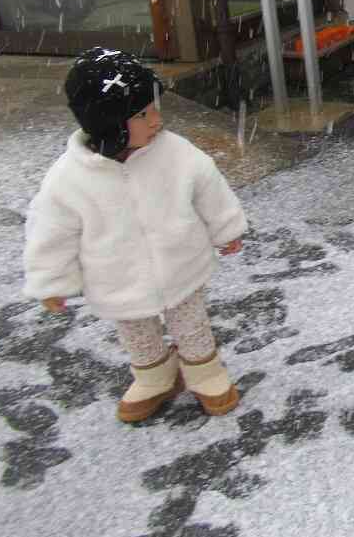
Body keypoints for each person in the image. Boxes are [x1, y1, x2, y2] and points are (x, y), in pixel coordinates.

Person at [23, 47, 248, 422]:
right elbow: (51, 232)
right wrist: (51, 281)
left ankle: (206, 373)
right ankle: (155, 377)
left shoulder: (175, 153)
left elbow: (209, 187)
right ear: (109, 123)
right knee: (137, 335)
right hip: (117, 277)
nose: (156, 121)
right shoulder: (68, 180)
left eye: (154, 109)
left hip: (181, 265)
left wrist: (226, 230)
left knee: (191, 325)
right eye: (143, 115)